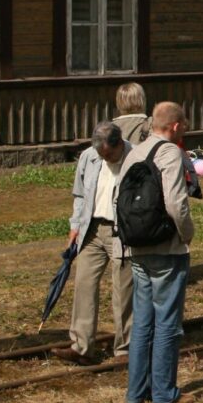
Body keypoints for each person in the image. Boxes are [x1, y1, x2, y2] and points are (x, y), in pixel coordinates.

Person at [122, 102, 195, 403]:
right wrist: (187, 233)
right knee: (167, 321)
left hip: (136, 245)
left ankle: (136, 391)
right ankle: (164, 392)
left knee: (142, 321)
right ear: (175, 126)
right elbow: (176, 202)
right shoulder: (170, 153)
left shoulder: (133, 153)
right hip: (166, 248)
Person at [54, 122, 133, 366]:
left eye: (108, 154)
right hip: (91, 230)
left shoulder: (135, 157)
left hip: (122, 232)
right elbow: (79, 194)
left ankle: (125, 350)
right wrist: (75, 226)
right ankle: (82, 347)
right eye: (100, 155)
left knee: (124, 292)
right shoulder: (89, 157)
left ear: (119, 144)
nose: (104, 158)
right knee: (84, 284)